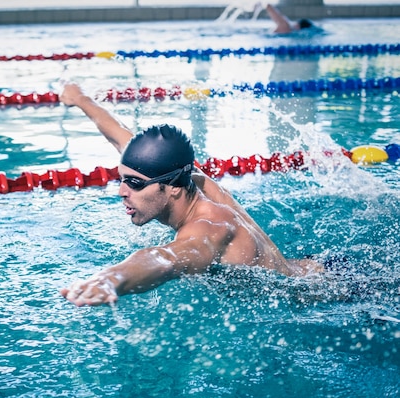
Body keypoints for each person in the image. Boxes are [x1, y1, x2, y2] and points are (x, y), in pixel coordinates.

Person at [58, 83, 323, 307]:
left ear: (172, 187)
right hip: (307, 267)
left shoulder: (212, 226)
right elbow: (121, 138)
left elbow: (168, 259)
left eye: (134, 183)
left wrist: (112, 278)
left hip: (318, 293)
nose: (121, 191)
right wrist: (81, 99)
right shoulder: (185, 176)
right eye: (122, 179)